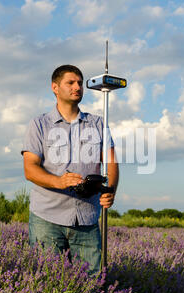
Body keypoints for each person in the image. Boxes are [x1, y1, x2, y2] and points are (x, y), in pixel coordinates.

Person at [21, 64, 119, 275]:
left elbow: (111, 162)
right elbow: (30, 169)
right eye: (71, 82)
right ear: (55, 87)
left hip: (87, 217)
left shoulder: (99, 124)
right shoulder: (39, 124)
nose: (77, 87)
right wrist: (59, 181)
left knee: (91, 283)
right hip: (47, 218)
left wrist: (111, 190)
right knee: (46, 280)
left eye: (80, 83)